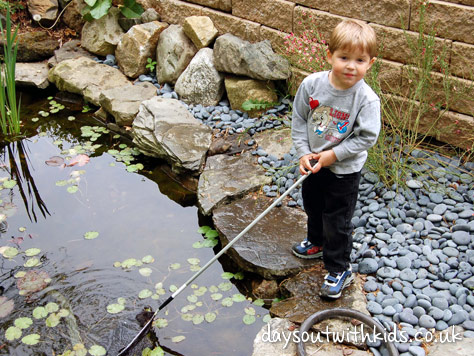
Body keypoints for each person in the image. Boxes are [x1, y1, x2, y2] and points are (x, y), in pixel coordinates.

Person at [291, 19, 381, 299]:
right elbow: (299, 119)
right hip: (314, 165)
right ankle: (316, 242)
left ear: (371, 63)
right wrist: (304, 152)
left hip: (344, 170)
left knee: (337, 219)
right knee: (313, 205)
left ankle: (338, 266)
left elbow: (367, 137)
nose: (351, 66)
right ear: (329, 55)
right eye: (344, 57)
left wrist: (334, 155)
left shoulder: (366, 100)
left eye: (360, 60)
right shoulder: (311, 85)